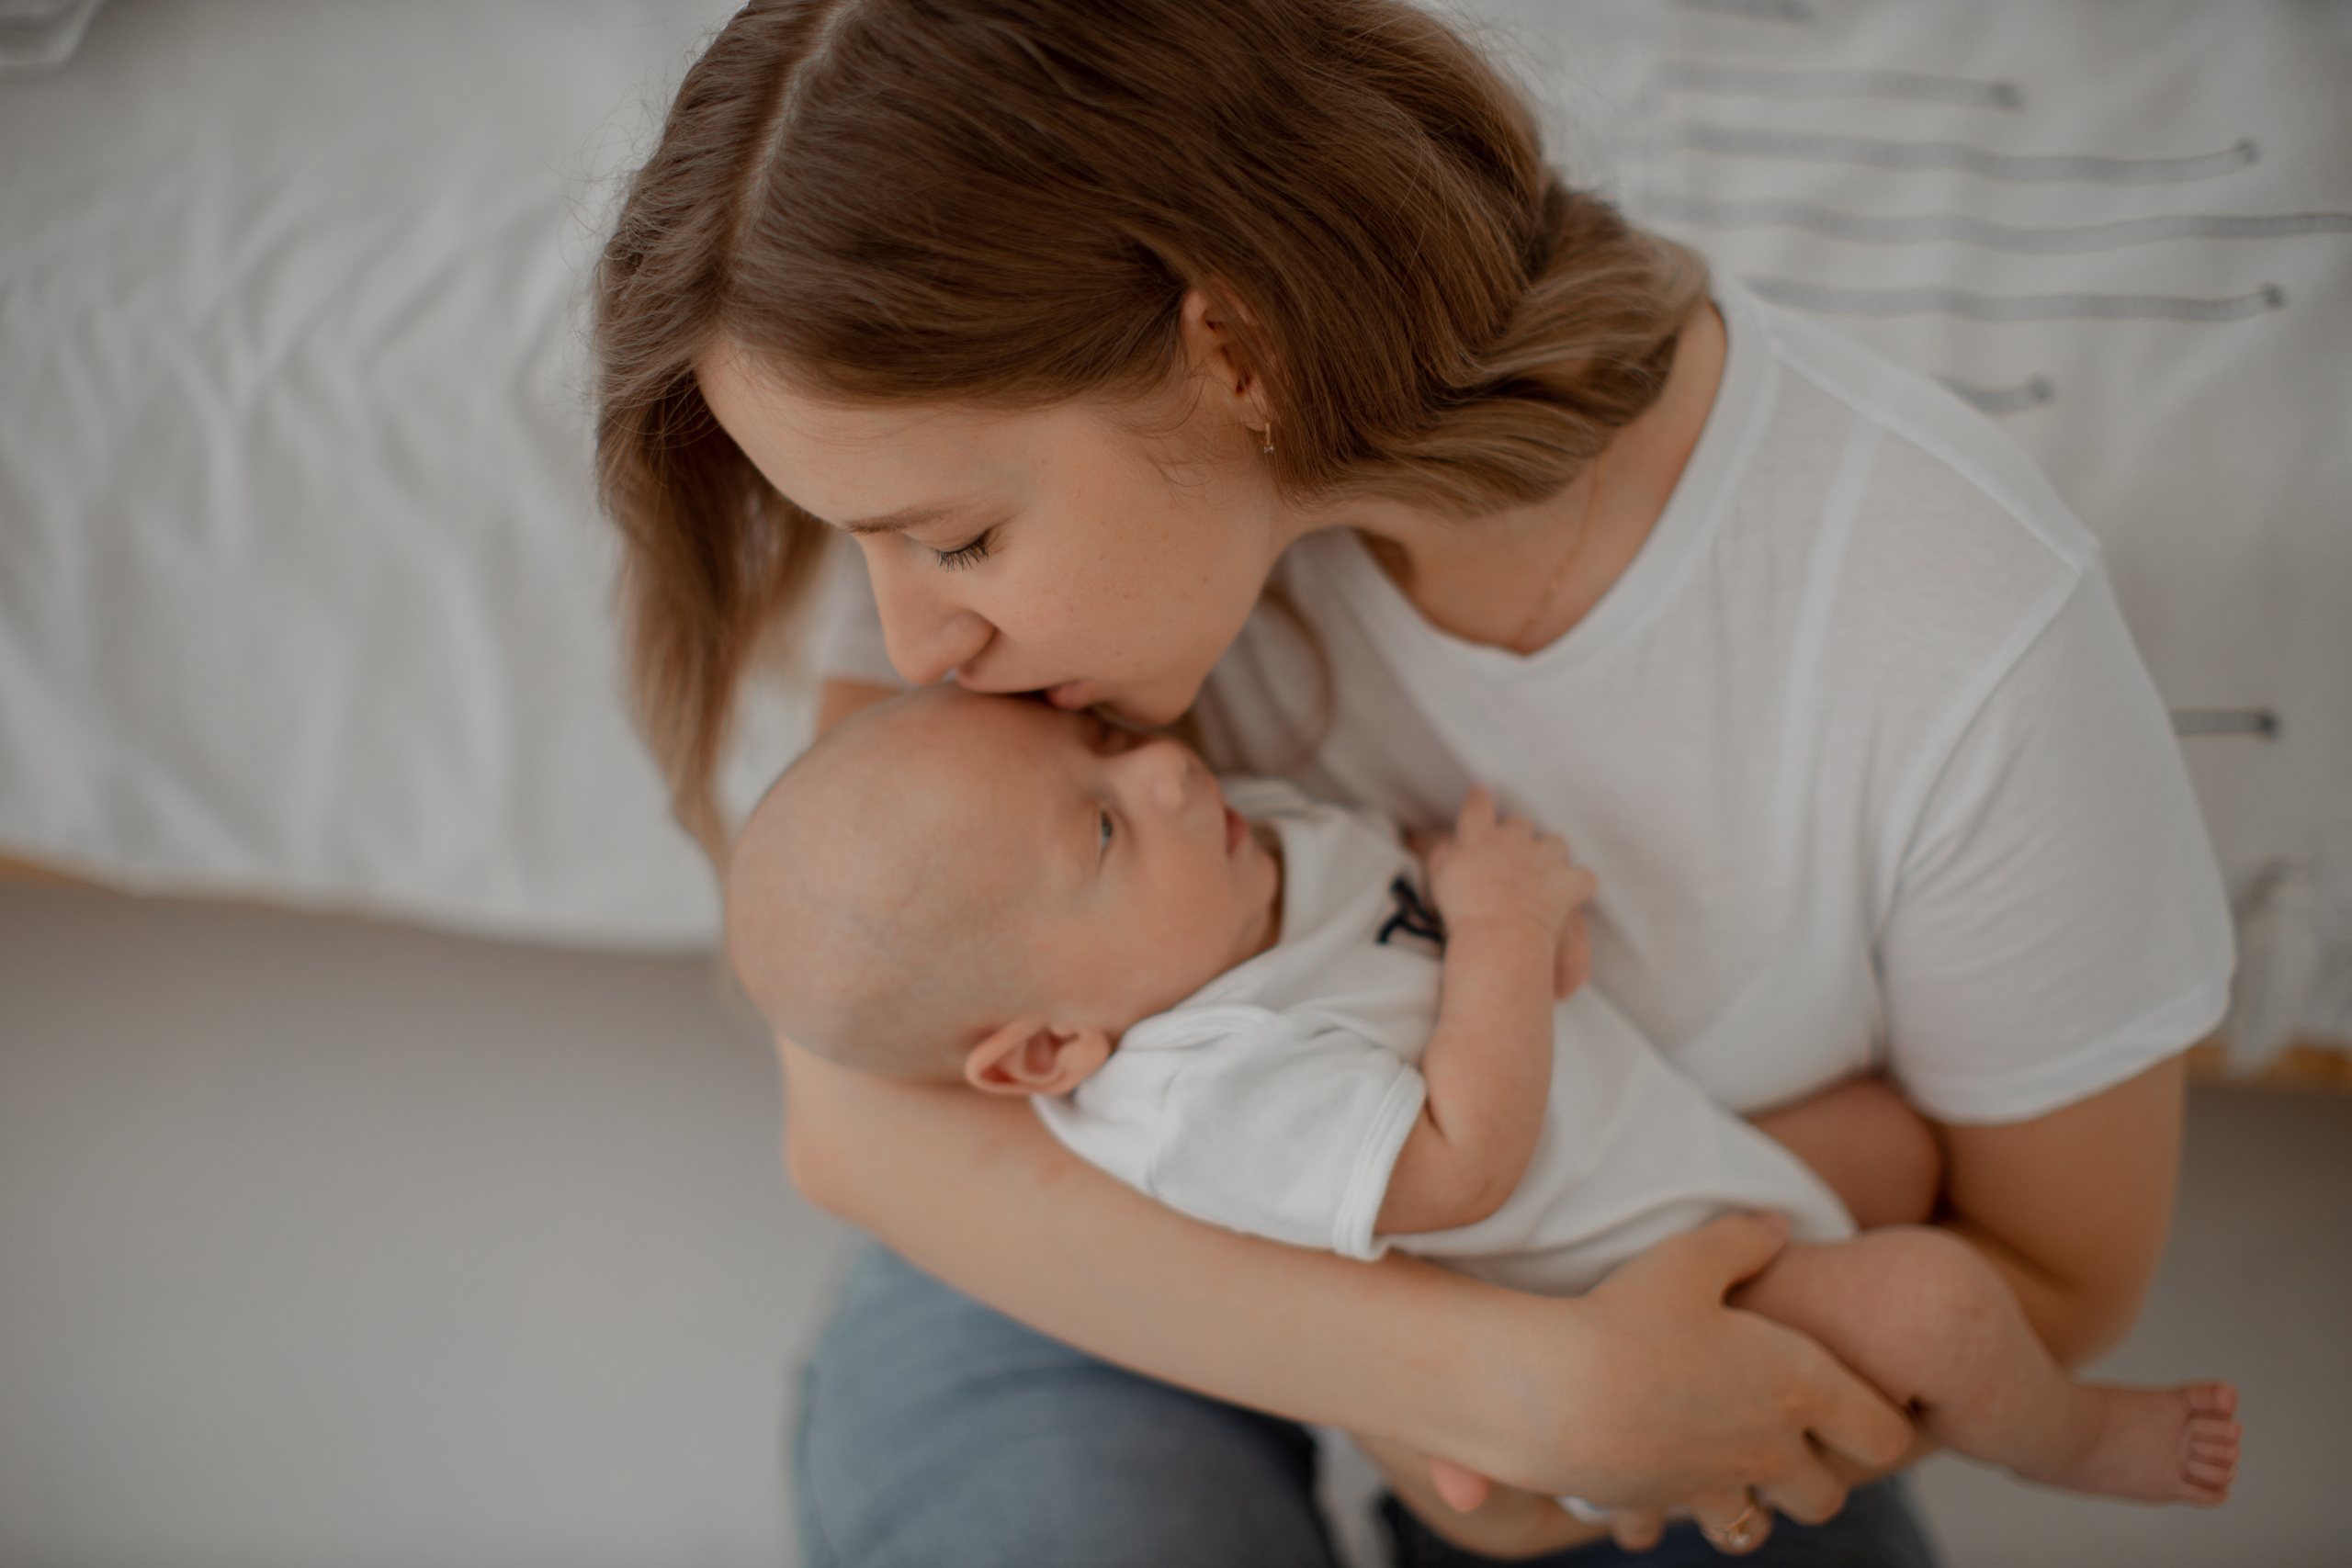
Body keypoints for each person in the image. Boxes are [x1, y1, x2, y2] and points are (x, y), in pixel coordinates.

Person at [593, 1, 2233, 1561]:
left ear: (1234, 350)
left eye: (957, 540)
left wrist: (1588, 1409)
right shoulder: (962, 523)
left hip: (1680, 1289)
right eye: (870, 545)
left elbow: (2051, 1279)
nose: (915, 645)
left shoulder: (1954, 627)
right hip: (1075, 1245)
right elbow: (862, 1117)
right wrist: (1487, 1386)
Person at [727, 682, 2240, 1522]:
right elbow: (1458, 1167)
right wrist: (1506, 935)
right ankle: (2072, 1439)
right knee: (1930, 1302)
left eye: (1106, 745)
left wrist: (1509, 926)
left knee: (1893, 1149)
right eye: (1107, 828)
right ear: (1048, 1053)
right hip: (1604, 1290)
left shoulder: (1225, 879)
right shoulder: (1202, 1089)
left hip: (1660, 1163)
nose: (1174, 772)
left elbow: (1396, 901)